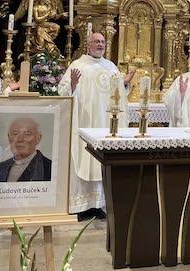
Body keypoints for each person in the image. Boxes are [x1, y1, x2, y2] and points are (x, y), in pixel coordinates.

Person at [57, 32, 134, 219]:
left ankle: (98, 204)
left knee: (101, 161)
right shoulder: (77, 65)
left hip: (105, 123)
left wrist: (124, 84)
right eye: (96, 42)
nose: (100, 45)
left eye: (102, 42)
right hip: (85, 122)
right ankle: (82, 206)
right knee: (83, 158)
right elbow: (63, 92)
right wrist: (72, 84)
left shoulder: (111, 67)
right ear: (88, 44)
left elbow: (119, 94)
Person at [0, 117, 52, 182]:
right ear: (8, 137)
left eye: (27, 134)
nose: (20, 139)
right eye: (15, 134)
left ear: (38, 138)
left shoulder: (49, 168)